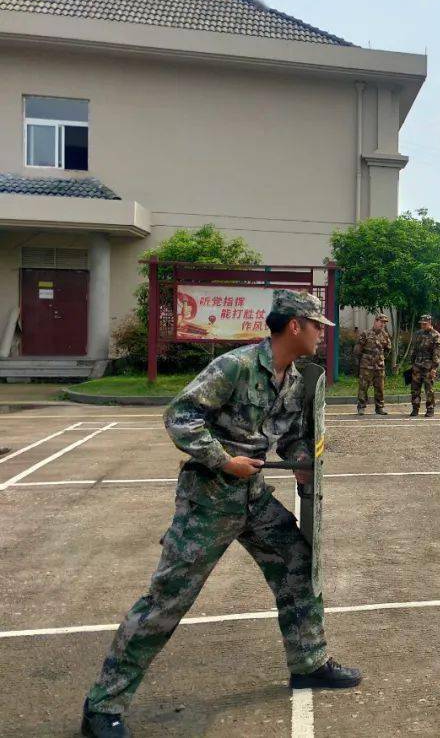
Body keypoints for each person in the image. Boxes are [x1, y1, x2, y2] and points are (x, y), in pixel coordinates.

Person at [81, 290, 360, 738]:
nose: (320, 336)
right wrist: (223, 459)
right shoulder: (237, 366)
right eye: (316, 327)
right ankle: (103, 705)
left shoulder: (294, 377)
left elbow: (286, 435)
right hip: (209, 499)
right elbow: (181, 416)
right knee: (166, 600)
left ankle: (309, 662)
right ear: (294, 326)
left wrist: (304, 463)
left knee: (298, 564)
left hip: (251, 496)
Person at [354, 313, 392, 416]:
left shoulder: (385, 335)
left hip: (379, 366)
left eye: (384, 323)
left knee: (380, 387)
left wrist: (381, 358)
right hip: (366, 365)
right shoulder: (366, 333)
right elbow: (357, 349)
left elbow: (388, 349)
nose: (382, 324)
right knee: (363, 387)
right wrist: (360, 362)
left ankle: (379, 408)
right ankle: (361, 407)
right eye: (381, 322)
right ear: (376, 321)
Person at [410, 314, 440, 418]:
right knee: (415, 388)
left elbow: (437, 353)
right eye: (422, 324)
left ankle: (430, 409)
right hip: (417, 365)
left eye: (425, 324)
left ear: (429, 323)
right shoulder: (418, 334)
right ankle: (415, 409)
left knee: (428, 389)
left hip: (428, 367)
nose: (423, 326)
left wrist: (434, 368)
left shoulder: (436, 335)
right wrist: (412, 363)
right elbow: (414, 349)